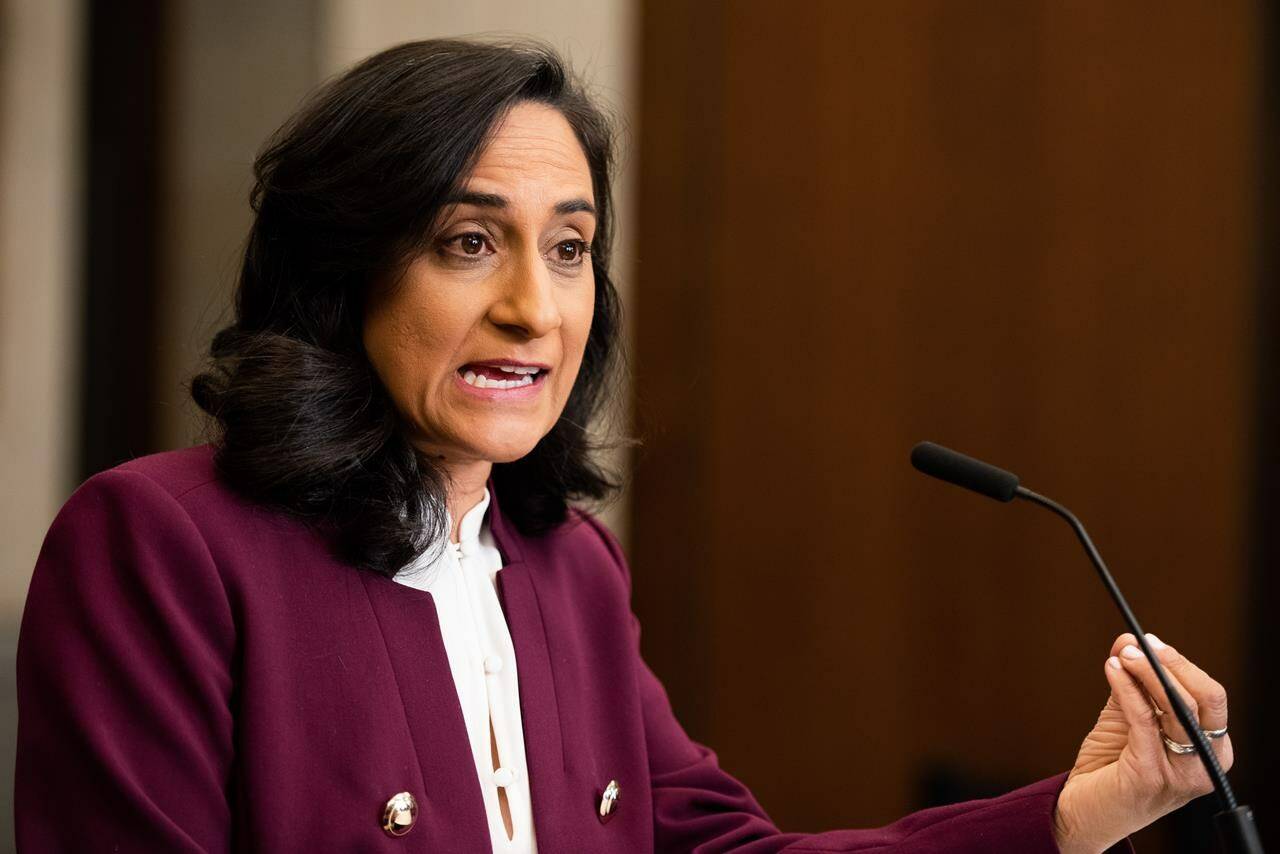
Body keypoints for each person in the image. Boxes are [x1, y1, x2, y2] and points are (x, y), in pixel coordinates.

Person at [15, 37, 1233, 853]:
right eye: (466, 241)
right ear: (343, 269)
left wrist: (1078, 813)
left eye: (567, 247)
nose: (533, 311)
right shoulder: (160, 543)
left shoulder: (566, 566)